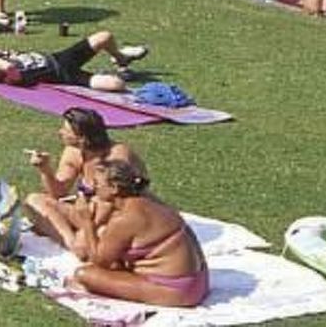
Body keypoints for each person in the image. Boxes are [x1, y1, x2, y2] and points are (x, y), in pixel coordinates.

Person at [71, 159, 210, 309]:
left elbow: (98, 262)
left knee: (84, 274)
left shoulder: (125, 219)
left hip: (178, 291)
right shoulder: (151, 203)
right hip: (199, 281)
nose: (93, 188)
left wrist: (87, 221)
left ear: (114, 188)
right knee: (113, 258)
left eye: (97, 183)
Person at [24, 106, 148, 249]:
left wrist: (87, 226)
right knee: (33, 201)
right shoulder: (73, 151)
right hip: (87, 213)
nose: (60, 132)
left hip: (117, 217)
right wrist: (45, 169)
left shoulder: (116, 158)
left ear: (82, 138)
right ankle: (71, 244)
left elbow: (115, 204)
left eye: (66, 130)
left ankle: (81, 244)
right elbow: (58, 192)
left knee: (97, 236)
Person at [0, 31, 149, 93]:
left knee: (104, 36)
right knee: (117, 84)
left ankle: (121, 59)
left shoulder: (6, 60)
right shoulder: (10, 78)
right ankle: (114, 71)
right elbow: (11, 68)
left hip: (61, 57)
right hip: (64, 75)